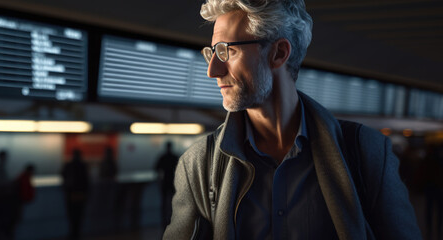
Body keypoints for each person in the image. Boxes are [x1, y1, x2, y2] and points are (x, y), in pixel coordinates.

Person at [163, 0, 421, 239]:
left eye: (225, 51)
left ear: (279, 53)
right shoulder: (199, 163)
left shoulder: (366, 152)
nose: (212, 71)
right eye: (212, 53)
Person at [62, 149, 90, 240]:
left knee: (72, 215)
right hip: (81, 194)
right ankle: (76, 234)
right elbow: (87, 182)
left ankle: (73, 233)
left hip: (71, 194)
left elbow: (63, 175)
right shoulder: (83, 166)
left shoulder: (69, 165)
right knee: (79, 215)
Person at [154, 141, 179, 232]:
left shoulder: (163, 157)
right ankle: (172, 218)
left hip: (165, 182)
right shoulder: (175, 157)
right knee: (173, 202)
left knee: (164, 202)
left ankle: (164, 219)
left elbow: (156, 169)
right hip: (172, 182)